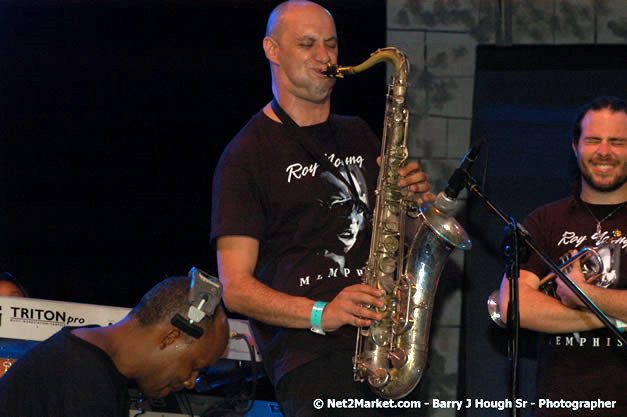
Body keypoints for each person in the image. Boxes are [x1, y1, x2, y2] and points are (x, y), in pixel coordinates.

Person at [211, 1, 434, 415]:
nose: (325, 56)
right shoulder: (245, 156)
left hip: (388, 350)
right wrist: (322, 312)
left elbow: (398, 237)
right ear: (272, 50)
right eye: (308, 44)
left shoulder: (361, 134)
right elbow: (236, 289)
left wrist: (418, 204)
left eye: (330, 44)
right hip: (312, 362)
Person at [498, 96, 627, 416]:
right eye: (593, 140)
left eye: (618, 142)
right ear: (575, 147)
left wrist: (581, 294)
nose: (604, 151)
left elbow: (554, 299)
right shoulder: (544, 221)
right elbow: (513, 306)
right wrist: (615, 317)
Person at [0, 275, 230, 417]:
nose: (191, 381)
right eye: (195, 366)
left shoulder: (88, 358)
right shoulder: (82, 380)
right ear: (171, 337)